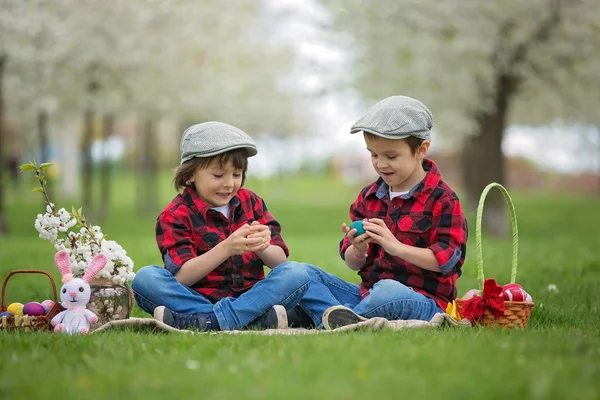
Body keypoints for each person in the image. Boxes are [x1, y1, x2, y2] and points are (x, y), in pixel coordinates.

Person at [297, 95, 468, 329]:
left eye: (391, 156)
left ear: (421, 150)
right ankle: (343, 319)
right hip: (369, 295)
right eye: (374, 154)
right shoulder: (370, 195)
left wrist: (395, 247)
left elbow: (448, 261)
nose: (380, 164)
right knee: (301, 274)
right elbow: (353, 264)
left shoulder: (443, 199)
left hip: (424, 302)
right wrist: (358, 249)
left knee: (388, 290)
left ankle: (330, 318)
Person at [131, 121, 310, 331]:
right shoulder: (175, 215)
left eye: (236, 174)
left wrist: (263, 246)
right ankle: (249, 320)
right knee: (146, 279)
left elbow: (280, 261)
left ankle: (208, 322)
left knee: (297, 273)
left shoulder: (251, 203)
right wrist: (227, 248)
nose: (229, 184)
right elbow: (181, 278)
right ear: (190, 174)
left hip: (252, 297)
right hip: (196, 298)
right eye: (218, 175)